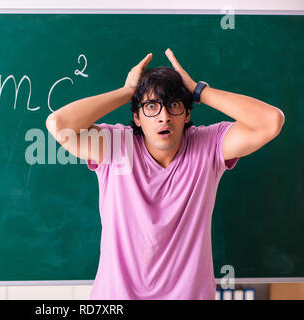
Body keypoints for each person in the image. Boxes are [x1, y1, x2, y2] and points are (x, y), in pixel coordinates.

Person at [45, 49, 285, 300]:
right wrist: (127, 92)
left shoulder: (207, 145)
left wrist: (199, 90)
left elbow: (271, 121)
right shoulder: (115, 146)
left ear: (187, 114)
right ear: (136, 117)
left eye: (173, 106)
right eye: (151, 106)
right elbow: (58, 124)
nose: (164, 117)